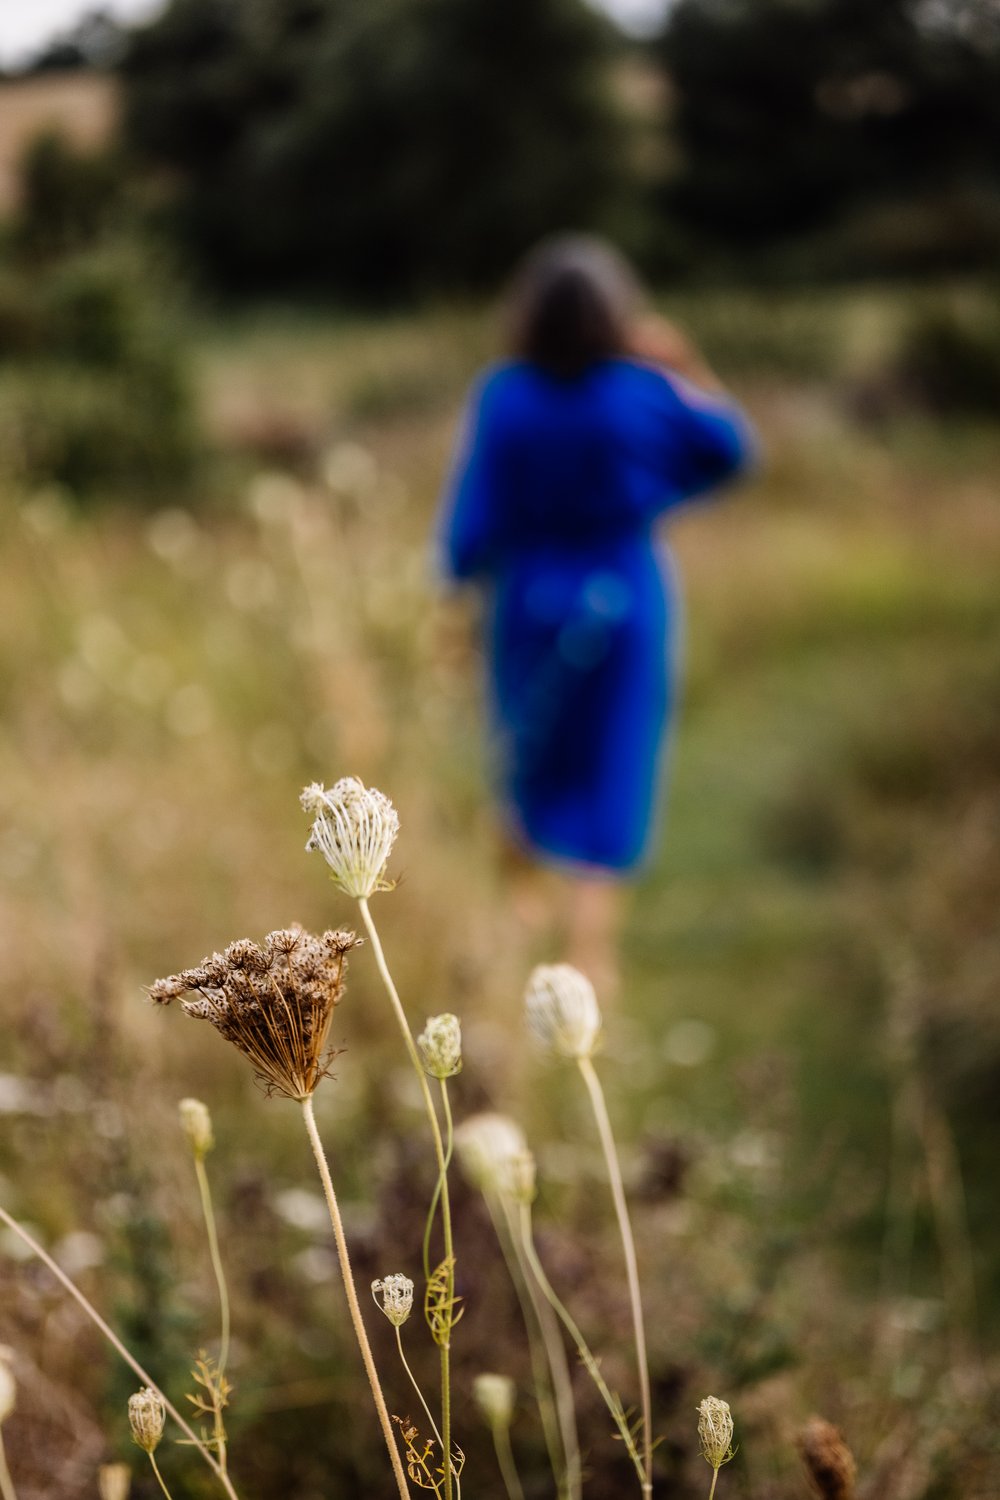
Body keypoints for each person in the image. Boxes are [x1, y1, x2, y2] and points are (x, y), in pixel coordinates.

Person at [436, 235, 756, 988]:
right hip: (627, 590)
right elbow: (734, 449)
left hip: (531, 595)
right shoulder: (640, 390)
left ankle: (520, 920)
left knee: (522, 756)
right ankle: (590, 956)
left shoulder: (505, 394)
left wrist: (453, 599)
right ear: (619, 314)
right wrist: (683, 366)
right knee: (616, 764)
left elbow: (471, 521)